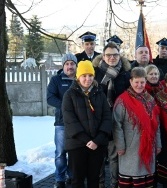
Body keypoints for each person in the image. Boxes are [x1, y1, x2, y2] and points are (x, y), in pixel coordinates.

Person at [62, 60, 112, 188]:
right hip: (77, 145)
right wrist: (86, 140)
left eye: (90, 75)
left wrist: (98, 140)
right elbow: (70, 120)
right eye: (84, 75)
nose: (87, 79)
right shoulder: (69, 95)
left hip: (97, 145)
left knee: (94, 179)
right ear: (78, 77)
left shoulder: (99, 93)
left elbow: (107, 117)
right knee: (77, 180)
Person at [113, 67, 161, 188]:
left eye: (142, 82)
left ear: (146, 81)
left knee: (146, 178)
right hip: (130, 148)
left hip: (149, 146)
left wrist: (158, 143)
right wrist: (120, 146)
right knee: (131, 177)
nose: (139, 85)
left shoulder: (150, 99)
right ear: (131, 81)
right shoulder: (122, 100)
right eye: (136, 82)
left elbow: (157, 123)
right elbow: (116, 125)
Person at [92, 41, 131, 188]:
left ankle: (114, 183)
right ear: (103, 56)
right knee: (100, 156)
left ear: (119, 55)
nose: (112, 58)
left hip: (118, 120)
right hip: (99, 120)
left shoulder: (126, 73)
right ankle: (101, 184)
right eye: (109, 55)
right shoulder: (95, 72)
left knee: (114, 156)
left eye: (115, 55)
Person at [47, 53, 77, 188]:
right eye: (67, 64)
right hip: (61, 123)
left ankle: (72, 176)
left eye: (72, 64)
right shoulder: (56, 80)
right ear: (63, 65)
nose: (70, 67)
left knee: (75, 151)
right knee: (60, 152)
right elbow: (50, 98)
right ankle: (60, 178)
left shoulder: (81, 79)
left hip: (78, 122)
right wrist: (66, 106)